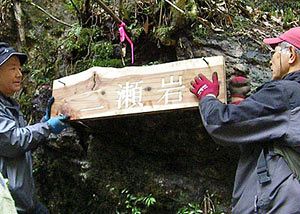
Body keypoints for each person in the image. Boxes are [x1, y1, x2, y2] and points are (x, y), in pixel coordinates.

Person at [190, 27, 300, 214]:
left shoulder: (286, 93)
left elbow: (222, 124)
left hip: (278, 205)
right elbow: (270, 142)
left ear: (290, 54)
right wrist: (241, 105)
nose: (270, 60)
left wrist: (207, 96)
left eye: (274, 52)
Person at [0, 42, 69, 213]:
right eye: (12, 68)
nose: (19, 74)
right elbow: (12, 141)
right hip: (9, 206)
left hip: (25, 202)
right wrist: (46, 127)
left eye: (20, 69)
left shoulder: (9, 104)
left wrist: (44, 123)